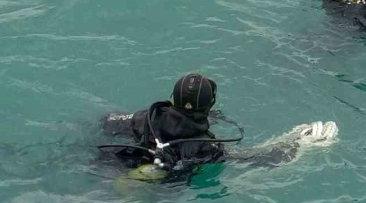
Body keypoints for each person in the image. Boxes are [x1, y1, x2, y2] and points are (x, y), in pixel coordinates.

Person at [98, 72, 338, 181]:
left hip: (110, 161)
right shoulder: (205, 148)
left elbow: (107, 121)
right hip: (155, 189)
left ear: (172, 98)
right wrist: (298, 143)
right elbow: (253, 161)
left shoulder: (147, 116)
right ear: (210, 104)